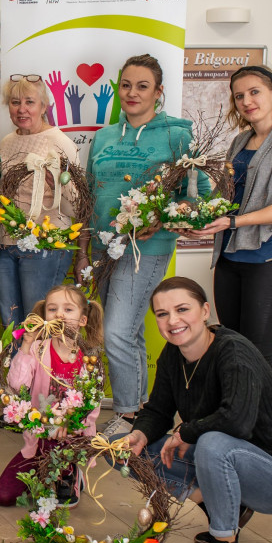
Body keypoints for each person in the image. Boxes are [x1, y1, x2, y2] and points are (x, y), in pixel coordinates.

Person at [123, 277, 272, 543]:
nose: (173, 320)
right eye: (162, 314)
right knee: (125, 447)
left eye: (183, 309)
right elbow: (158, 411)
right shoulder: (173, 354)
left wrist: (185, 432)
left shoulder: (234, 353)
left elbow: (237, 421)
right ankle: (224, 509)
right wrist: (139, 433)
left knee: (211, 442)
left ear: (205, 310)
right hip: (230, 461)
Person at [83, 54, 199, 437]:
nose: (132, 93)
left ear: (158, 92)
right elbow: (88, 193)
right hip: (102, 247)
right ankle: (141, 411)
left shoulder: (176, 135)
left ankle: (130, 415)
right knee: (120, 331)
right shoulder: (102, 136)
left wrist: (160, 217)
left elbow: (196, 197)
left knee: (117, 331)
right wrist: (86, 244)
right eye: (126, 85)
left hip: (145, 248)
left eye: (142, 86)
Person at [179, 65, 272, 370]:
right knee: (233, 349)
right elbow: (223, 196)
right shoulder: (240, 142)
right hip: (230, 257)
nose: (246, 101)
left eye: (254, 92)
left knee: (258, 354)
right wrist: (197, 220)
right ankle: (238, 417)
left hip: (269, 258)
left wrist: (233, 222)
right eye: (239, 95)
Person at [0, 284, 103, 507]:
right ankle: (43, 471)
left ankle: (70, 471)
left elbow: (91, 406)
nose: (59, 314)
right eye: (53, 309)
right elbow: (15, 385)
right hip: (39, 436)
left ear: (83, 320)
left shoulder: (89, 358)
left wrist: (69, 424)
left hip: (70, 439)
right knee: (3, 496)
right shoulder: (38, 349)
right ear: (44, 316)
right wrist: (26, 343)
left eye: (68, 309)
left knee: (62, 496)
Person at [0, 75, 85, 327]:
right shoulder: (7, 142)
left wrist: (55, 183)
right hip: (7, 243)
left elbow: (77, 205)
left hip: (46, 245)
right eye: (15, 102)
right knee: (10, 323)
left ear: (44, 106)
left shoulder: (60, 142)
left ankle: (41, 367)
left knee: (40, 322)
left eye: (29, 102)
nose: (22, 109)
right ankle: (15, 367)